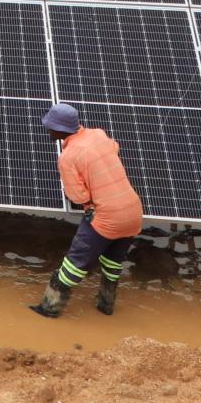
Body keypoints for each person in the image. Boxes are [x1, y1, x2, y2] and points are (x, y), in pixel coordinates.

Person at [31, 102, 143, 318]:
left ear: (60, 129)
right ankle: (106, 306)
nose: (49, 131)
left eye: (50, 127)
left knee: (74, 264)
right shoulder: (98, 134)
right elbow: (114, 146)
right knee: (112, 263)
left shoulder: (68, 157)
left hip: (107, 218)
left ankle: (49, 309)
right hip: (133, 212)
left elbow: (79, 196)